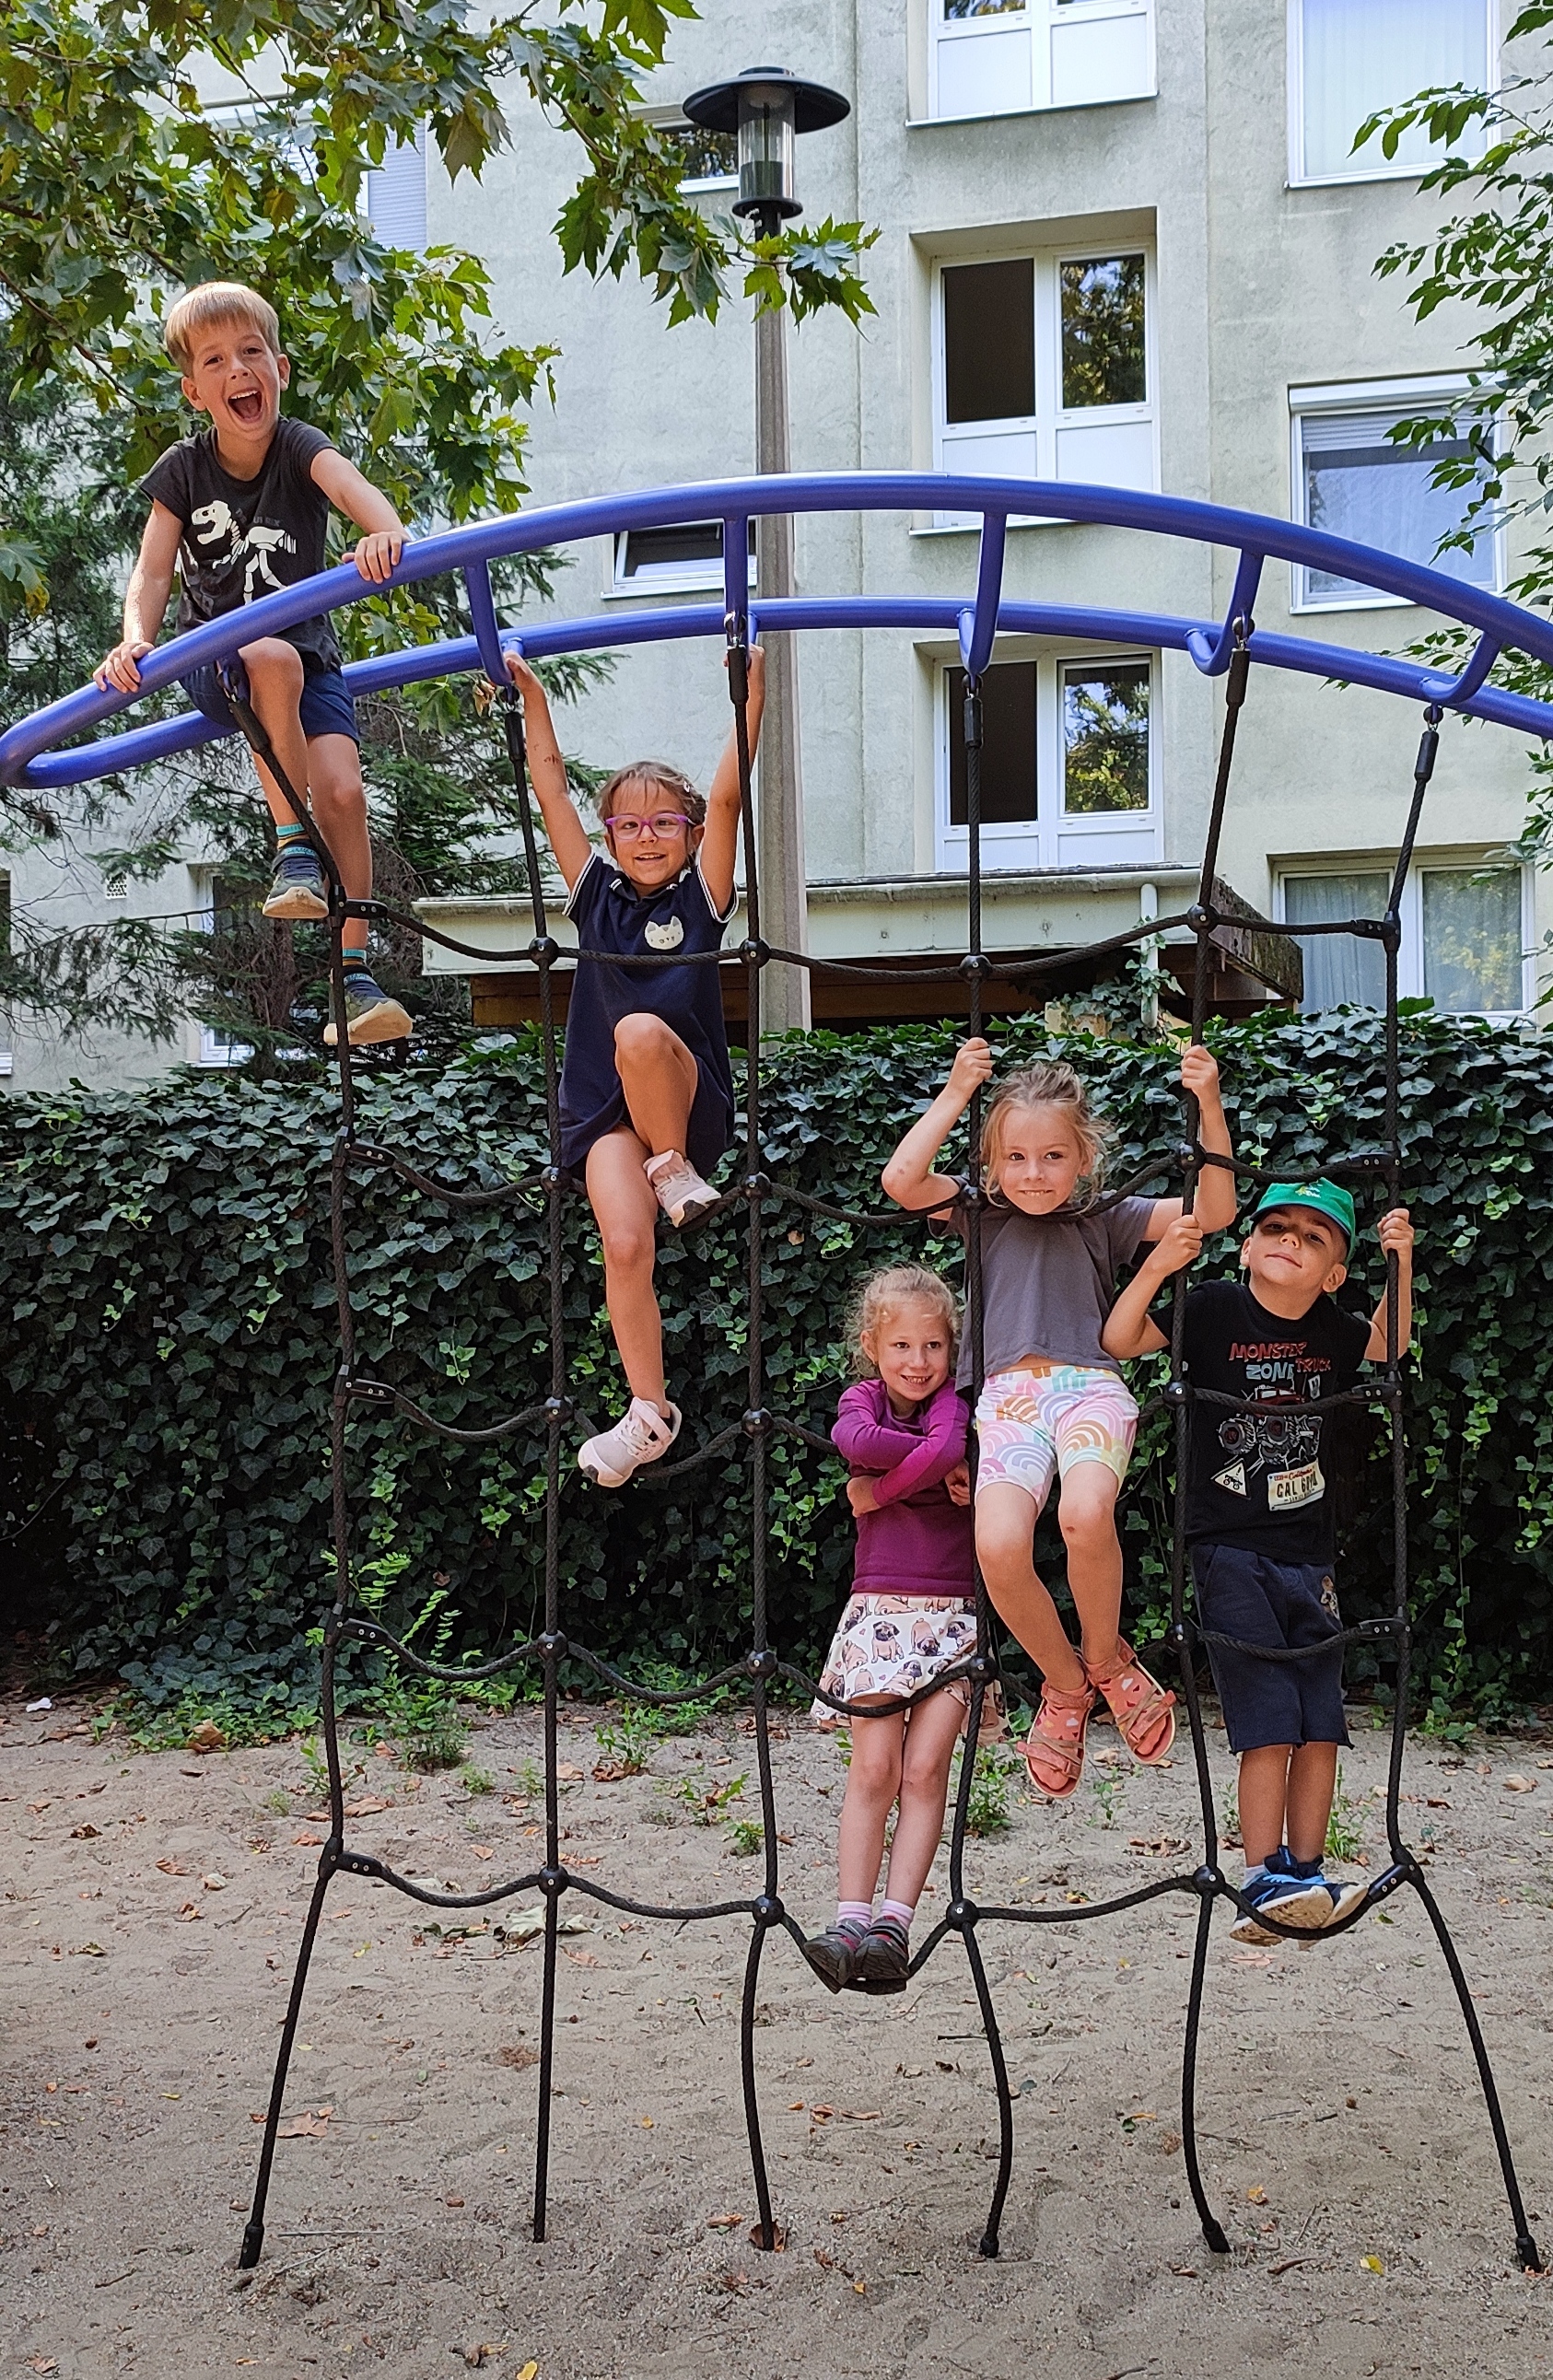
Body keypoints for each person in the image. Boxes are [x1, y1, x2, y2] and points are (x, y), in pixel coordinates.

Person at [882, 1039, 1237, 1796]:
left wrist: (1208, 1103)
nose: (1034, 1174)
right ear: (991, 1163)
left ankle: (1106, 1658)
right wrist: (957, 1092)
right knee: (998, 1546)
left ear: (1083, 1160)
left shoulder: (1104, 1216)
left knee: (1083, 1515)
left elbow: (1214, 1210)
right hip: (1008, 1402)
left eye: (1052, 1157)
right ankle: (1066, 1684)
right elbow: (901, 1181)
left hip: (1088, 1391)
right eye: (1015, 1157)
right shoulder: (980, 1213)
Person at [94, 280, 412, 1048]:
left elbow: (359, 493)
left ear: (280, 369)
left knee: (344, 791)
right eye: (215, 360)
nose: (238, 369)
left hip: (311, 657)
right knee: (267, 653)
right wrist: (135, 637)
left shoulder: (300, 446)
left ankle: (354, 975)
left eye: (251, 352)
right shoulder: (183, 468)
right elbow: (153, 572)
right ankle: (291, 847)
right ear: (195, 392)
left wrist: (383, 532)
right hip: (219, 661)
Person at [1102, 1179, 1414, 1940]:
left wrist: (1400, 1263)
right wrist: (1158, 1263)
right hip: (1230, 1548)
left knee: (1321, 1721)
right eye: (1277, 1227)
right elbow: (1119, 1339)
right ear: (1246, 1248)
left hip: (1309, 1554)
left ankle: (1306, 1873)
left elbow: (1391, 1343)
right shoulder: (1212, 1309)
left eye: (1313, 1236)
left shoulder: (1334, 1329)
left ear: (1334, 1275)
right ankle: (1260, 1871)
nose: (1290, 1241)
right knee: (1269, 1717)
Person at [500, 646, 765, 1487]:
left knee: (642, 1030)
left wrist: (750, 692)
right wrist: (533, 702)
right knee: (623, 1242)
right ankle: (649, 1411)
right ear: (611, 838)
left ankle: (674, 1166)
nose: (646, 837)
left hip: (683, 1103)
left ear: (690, 835)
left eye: (664, 823)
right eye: (628, 826)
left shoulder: (701, 900)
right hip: (604, 1116)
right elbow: (550, 793)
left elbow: (729, 796)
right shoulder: (597, 900)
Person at [803, 1263, 1000, 1995]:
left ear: (953, 1349)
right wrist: (909, 1474)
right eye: (902, 1347)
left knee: (924, 1773)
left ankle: (894, 1923)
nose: (919, 1363)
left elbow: (944, 1449)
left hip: (952, 1619)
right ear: (872, 1348)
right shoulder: (861, 1400)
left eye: (934, 1346)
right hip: (880, 1613)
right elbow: (852, 1437)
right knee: (875, 1769)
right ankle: (849, 1918)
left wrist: (876, 1490)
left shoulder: (956, 1407)